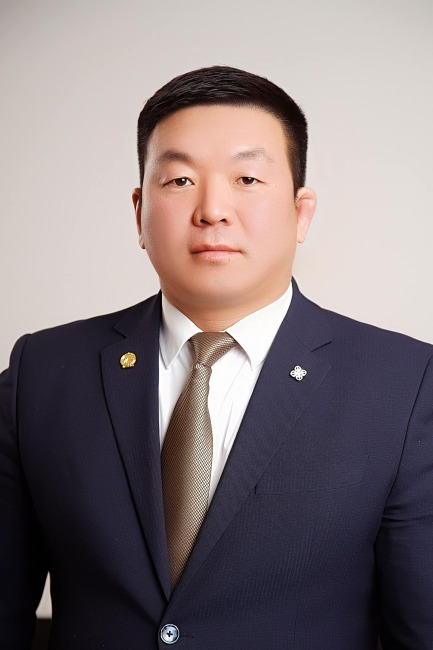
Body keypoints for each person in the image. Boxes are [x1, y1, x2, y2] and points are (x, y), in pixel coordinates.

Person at [1, 66, 432, 650]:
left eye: (247, 178)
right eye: (179, 180)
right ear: (139, 212)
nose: (212, 210)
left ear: (301, 213)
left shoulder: (404, 385)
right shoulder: (44, 373)